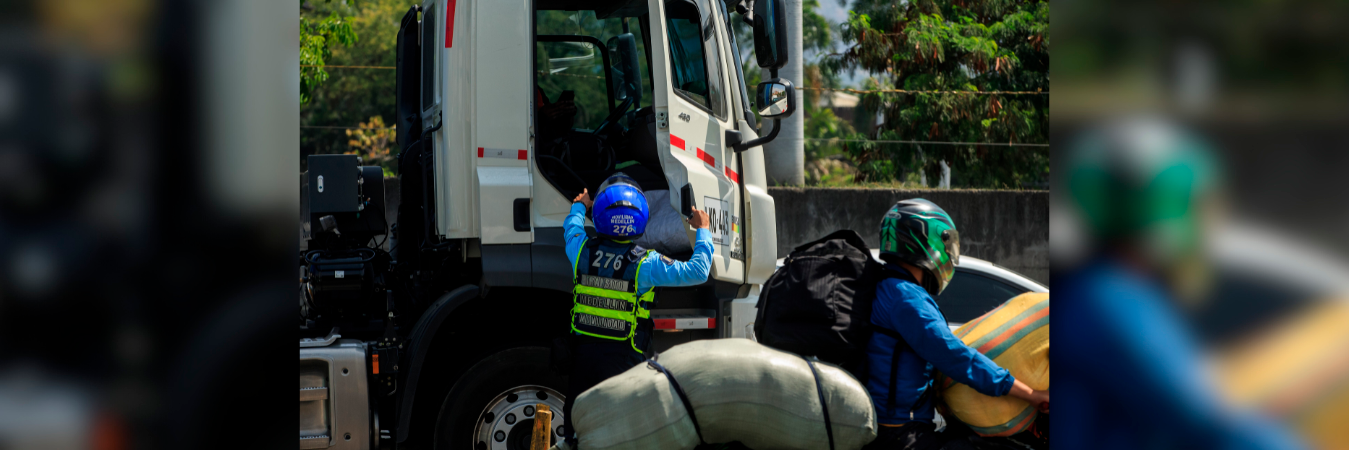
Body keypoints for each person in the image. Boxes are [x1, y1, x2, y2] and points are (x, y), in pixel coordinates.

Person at [1054, 118, 1306, 450]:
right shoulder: (1111, 301)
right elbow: (1211, 420)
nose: (1208, 226)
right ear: (1162, 208)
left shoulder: (1107, 293)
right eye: (1198, 206)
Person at [864, 198, 1049, 450]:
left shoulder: (890, 287)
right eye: (946, 243)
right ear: (924, 240)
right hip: (900, 435)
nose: (948, 254)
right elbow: (957, 357)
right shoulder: (905, 297)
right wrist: (1030, 394)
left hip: (898, 429)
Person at [558, 173, 713, 449]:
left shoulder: (581, 251)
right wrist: (703, 229)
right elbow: (698, 271)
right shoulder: (646, 264)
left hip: (583, 358)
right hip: (624, 360)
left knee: (577, 429)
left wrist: (580, 206)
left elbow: (572, 227)